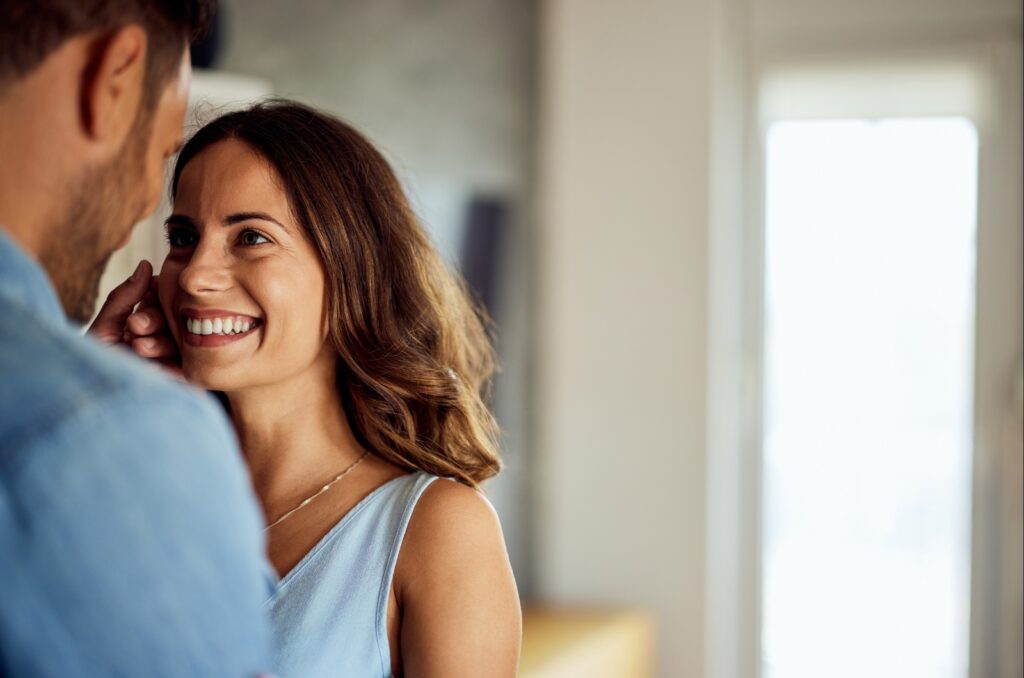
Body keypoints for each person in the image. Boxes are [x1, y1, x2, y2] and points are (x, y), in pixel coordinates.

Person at [115, 100, 522, 676]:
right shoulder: (137, 495)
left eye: (251, 237)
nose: (196, 275)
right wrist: (85, 406)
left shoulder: (437, 530)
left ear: (352, 269)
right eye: (184, 235)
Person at [0, 2, 272, 675]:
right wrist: (102, 414)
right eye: (161, 154)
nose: (197, 277)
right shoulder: (107, 433)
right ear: (113, 79)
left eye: (254, 237)